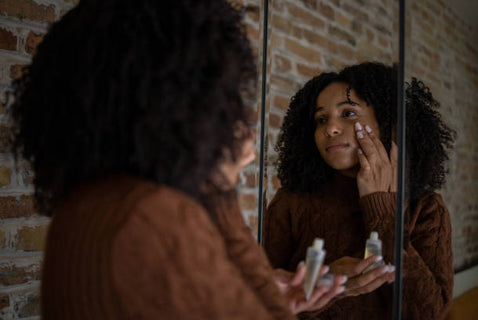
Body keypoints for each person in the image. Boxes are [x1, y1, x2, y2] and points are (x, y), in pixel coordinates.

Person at [9, 0, 346, 318]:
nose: (233, 116)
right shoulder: (155, 218)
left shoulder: (84, 205)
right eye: (224, 98)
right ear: (180, 103)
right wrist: (220, 182)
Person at [263, 62, 455, 319]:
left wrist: (382, 210)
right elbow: (260, 304)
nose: (330, 128)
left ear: (387, 124)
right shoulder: (291, 202)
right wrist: (329, 287)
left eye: (348, 114)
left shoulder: (426, 207)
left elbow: (430, 314)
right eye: (321, 119)